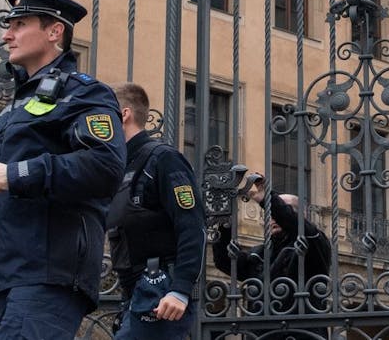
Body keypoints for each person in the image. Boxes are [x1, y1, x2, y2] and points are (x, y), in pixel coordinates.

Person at [0, 0, 126, 339]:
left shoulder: (84, 93)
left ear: (54, 31)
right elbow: (15, 194)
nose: (6, 35)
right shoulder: (15, 107)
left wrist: (19, 173)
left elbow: (105, 166)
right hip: (11, 277)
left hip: (49, 274)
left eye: (19, 25)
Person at [105, 82, 206, 339]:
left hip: (161, 289)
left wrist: (181, 288)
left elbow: (192, 225)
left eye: (103, 113)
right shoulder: (118, 167)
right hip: (136, 292)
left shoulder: (162, 159)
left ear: (124, 114)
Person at [211, 173, 334, 339]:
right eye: (269, 213)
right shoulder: (259, 254)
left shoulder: (315, 244)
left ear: (303, 215)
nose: (274, 217)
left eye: (282, 209)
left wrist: (268, 199)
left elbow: (298, 227)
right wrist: (225, 223)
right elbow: (225, 261)